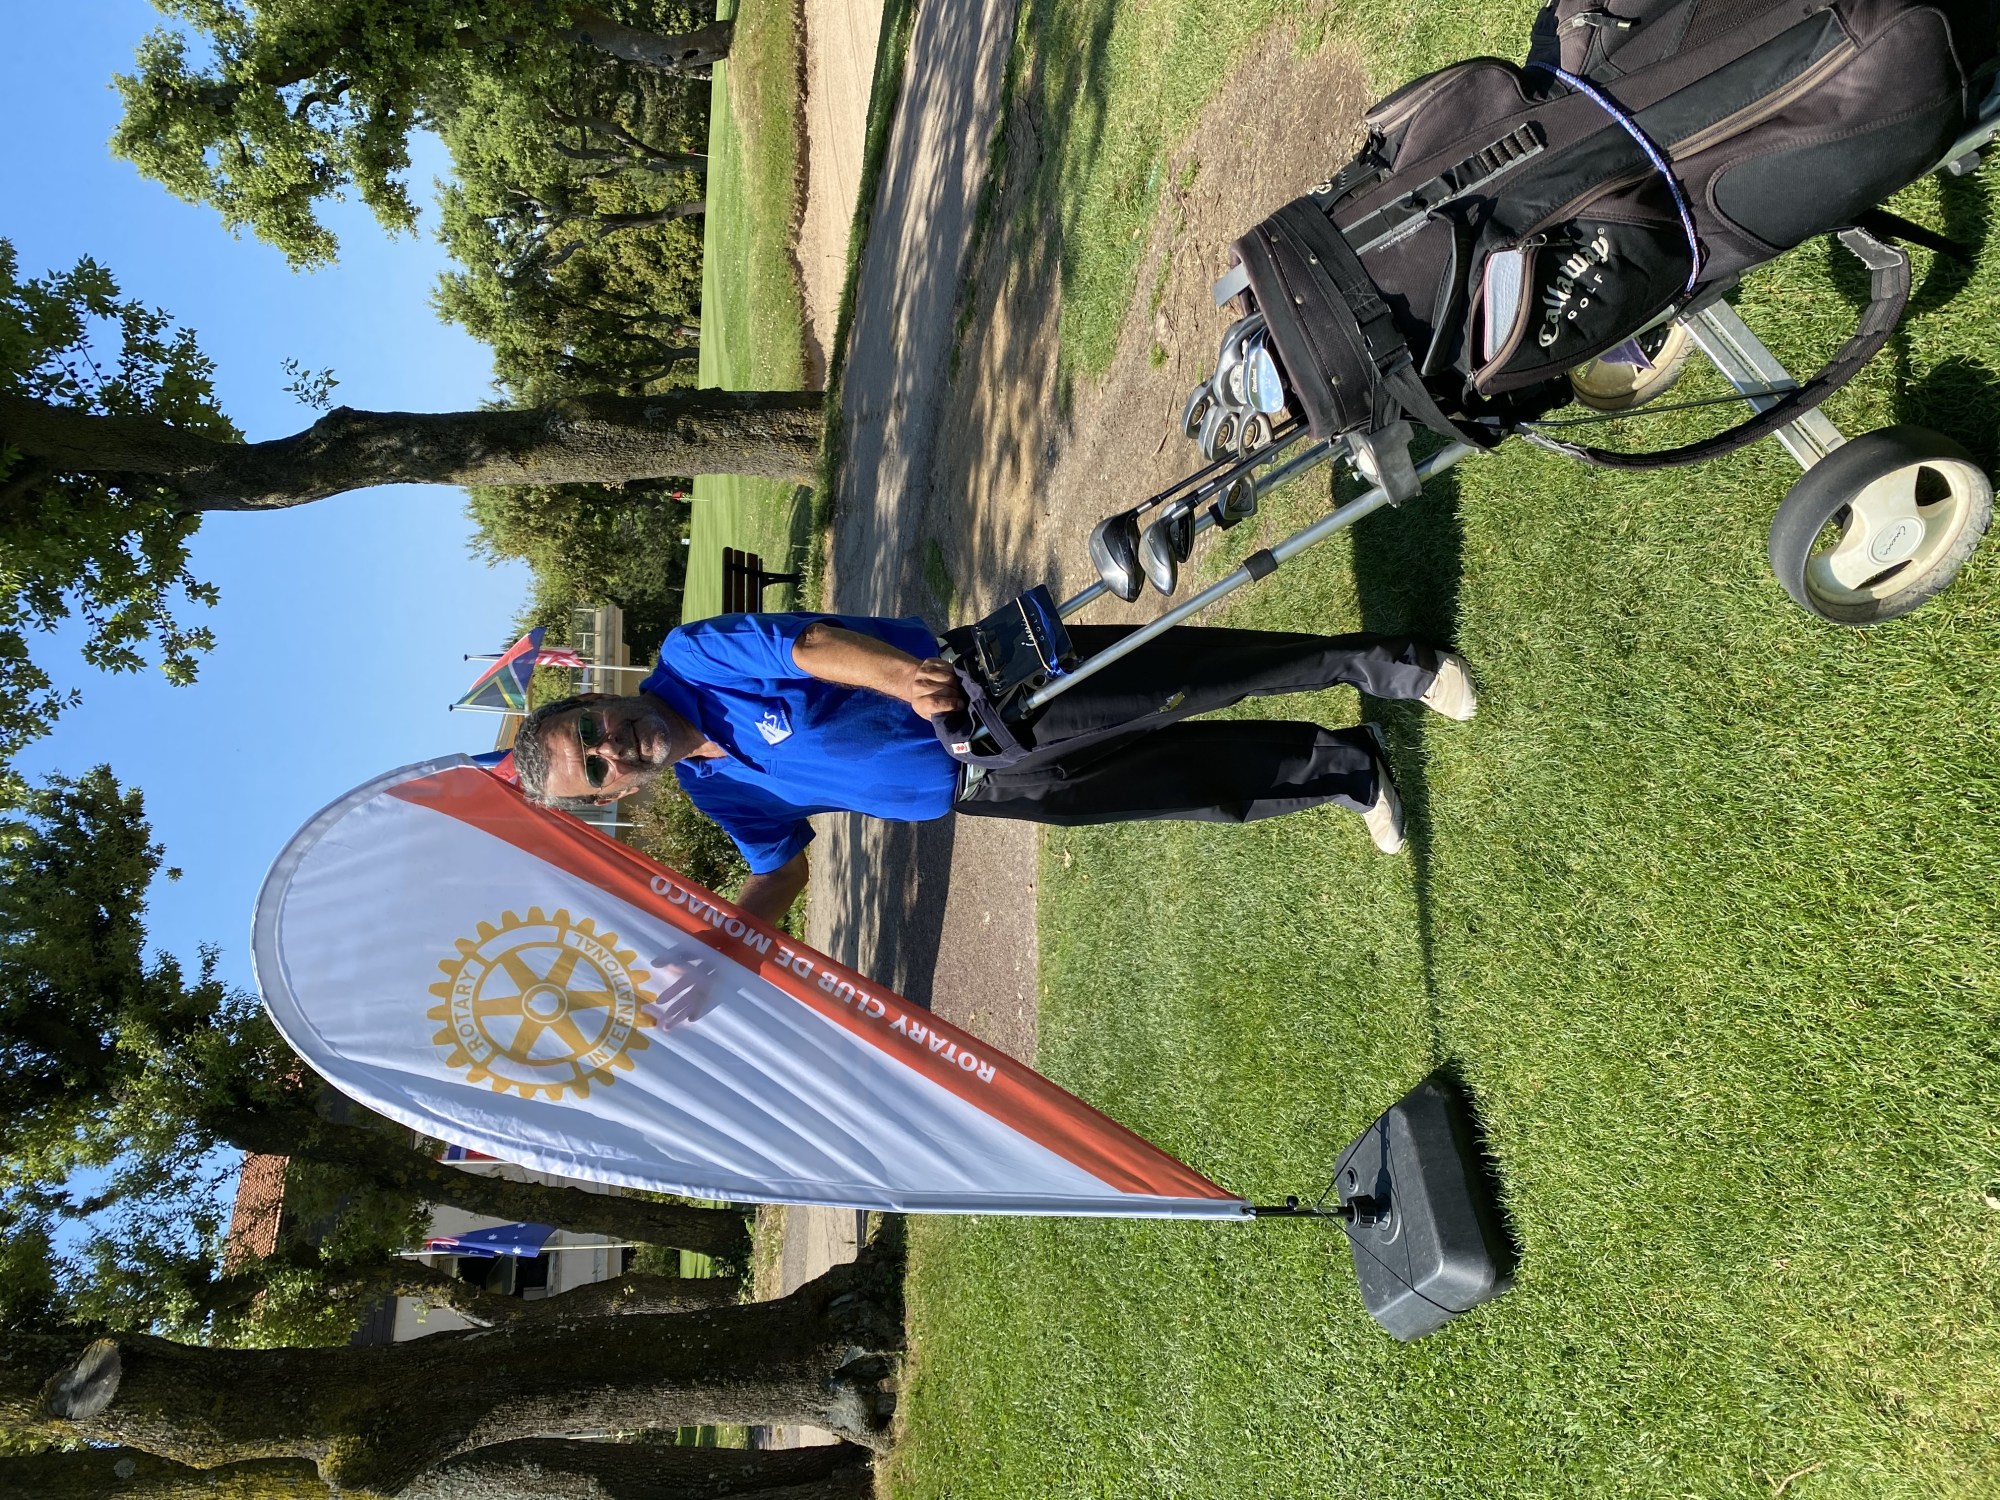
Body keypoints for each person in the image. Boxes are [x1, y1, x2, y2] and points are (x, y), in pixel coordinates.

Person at [511, 612, 1477, 923]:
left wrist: (903, 679)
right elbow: (782, 867)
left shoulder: (690, 660)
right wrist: (730, 937)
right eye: (595, 768)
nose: (611, 746)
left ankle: (1389, 663)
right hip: (988, 788)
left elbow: (803, 646)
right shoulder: (709, 785)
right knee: (1185, 782)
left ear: (596, 696)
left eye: (592, 729)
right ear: (614, 793)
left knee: (1187, 677)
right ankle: (1347, 769)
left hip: (980, 696)